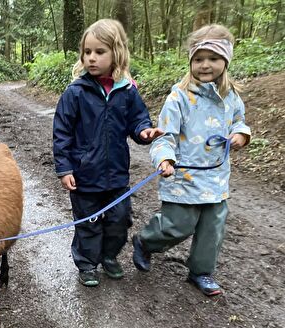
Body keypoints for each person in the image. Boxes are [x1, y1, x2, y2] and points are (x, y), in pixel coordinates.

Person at [132, 24, 251, 296]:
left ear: (226, 61)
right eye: (198, 59)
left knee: (213, 228)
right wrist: (164, 158)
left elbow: (239, 122)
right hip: (182, 176)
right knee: (178, 225)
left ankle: (201, 271)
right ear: (190, 61)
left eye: (213, 58)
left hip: (217, 177)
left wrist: (241, 135)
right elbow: (164, 135)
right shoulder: (179, 97)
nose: (205, 65)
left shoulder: (231, 97)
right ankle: (146, 241)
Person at [53, 19, 163, 287]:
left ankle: (109, 256)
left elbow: (137, 120)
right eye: (87, 52)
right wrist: (65, 168)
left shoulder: (127, 91)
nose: (92, 58)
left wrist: (144, 132)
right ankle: (87, 264)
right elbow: (62, 132)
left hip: (116, 174)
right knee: (88, 222)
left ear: (116, 53)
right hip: (84, 175)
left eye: (99, 52)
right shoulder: (75, 92)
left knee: (119, 218)